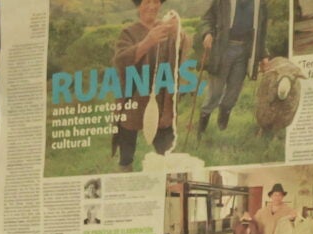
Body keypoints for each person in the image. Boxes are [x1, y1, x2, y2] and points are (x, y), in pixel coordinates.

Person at [110, 0, 190, 170]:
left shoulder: (166, 28)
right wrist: (148, 41)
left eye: (156, 1)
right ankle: (125, 170)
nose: (152, 6)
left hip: (162, 101)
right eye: (147, 1)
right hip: (133, 99)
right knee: (126, 149)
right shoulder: (128, 32)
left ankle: (165, 174)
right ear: (139, 5)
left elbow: (182, 51)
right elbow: (121, 61)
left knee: (165, 150)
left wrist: (179, 34)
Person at [197, 0, 270, 136]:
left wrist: (263, 55)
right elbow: (207, 19)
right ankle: (202, 129)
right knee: (215, 93)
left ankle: (222, 125)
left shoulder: (260, 4)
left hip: (245, 52)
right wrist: (207, 33)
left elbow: (261, 33)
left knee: (233, 93)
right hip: (222, 49)